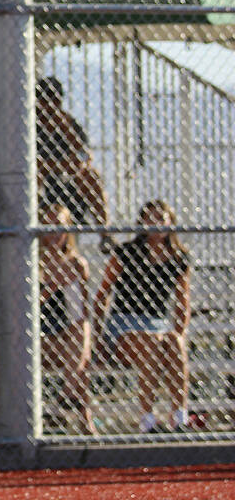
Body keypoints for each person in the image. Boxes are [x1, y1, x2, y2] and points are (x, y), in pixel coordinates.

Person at [91, 199, 191, 433]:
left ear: (170, 223)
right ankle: (147, 419)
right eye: (150, 218)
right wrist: (98, 336)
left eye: (161, 218)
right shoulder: (127, 253)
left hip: (158, 324)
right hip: (125, 323)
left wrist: (180, 332)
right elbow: (103, 293)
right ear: (142, 223)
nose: (156, 224)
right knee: (152, 344)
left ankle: (179, 416)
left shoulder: (178, 258)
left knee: (173, 341)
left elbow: (183, 301)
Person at [39, 203, 94, 435]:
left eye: (59, 225)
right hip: (38, 334)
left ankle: (67, 397)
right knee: (80, 356)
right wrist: (52, 286)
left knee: (81, 331)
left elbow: (81, 310)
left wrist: (71, 278)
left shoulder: (76, 262)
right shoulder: (33, 261)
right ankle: (76, 408)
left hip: (67, 335)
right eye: (48, 225)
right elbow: (25, 306)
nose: (54, 232)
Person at [35, 76, 108, 226]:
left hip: (68, 182)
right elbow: (36, 165)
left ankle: (104, 231)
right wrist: (59, 165)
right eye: (44, 101)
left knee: (91, 175)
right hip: (43, 185)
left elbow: (85, 155)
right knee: (37, 173)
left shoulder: (68, 124)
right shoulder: (31, 126)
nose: (49, 107)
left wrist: (66, 128)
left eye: (54, 101)